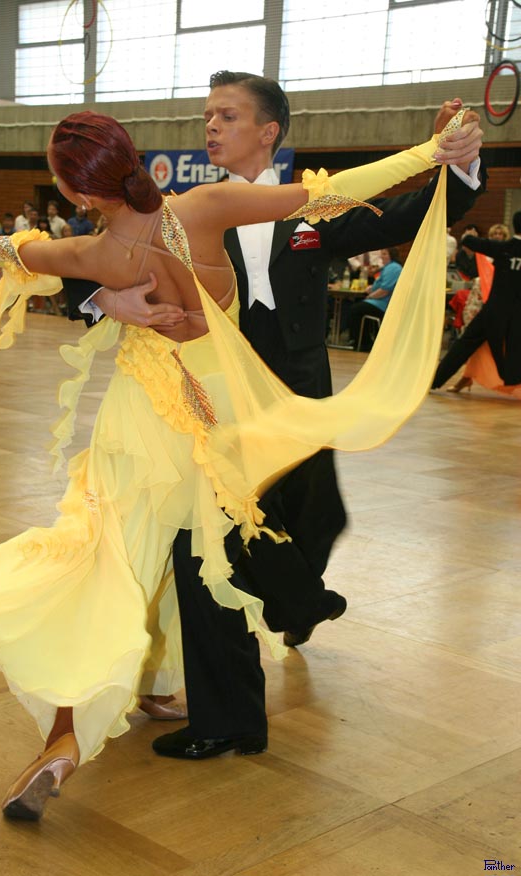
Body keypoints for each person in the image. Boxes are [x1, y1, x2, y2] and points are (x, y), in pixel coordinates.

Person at [0, 105, 477, 820]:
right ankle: (158, 685)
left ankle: (65, 739)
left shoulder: (96, 254)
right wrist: (432, 150)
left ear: (75, 191)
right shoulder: (205, 207)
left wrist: (106, 294)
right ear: (131, 160)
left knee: (109, 557)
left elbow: (11, 251)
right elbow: (335, 189)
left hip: (145, 416)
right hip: (221, 416)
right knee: (195, 554)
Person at [65, 74, 484, 763]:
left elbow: (417, 210)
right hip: (219, 403)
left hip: (302, 396)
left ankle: (294, 602)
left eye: (227, 116)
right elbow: (88, 261)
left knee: (313, 517)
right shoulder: (182, 210)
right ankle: (239, 696)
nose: (210, 126)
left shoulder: (314, 206)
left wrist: (459, 161)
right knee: (210, 550)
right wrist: (105, 302)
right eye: (207, 115)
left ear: (269, 132)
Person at [432, 211, 521, 396]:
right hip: (516, 316)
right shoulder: (504, 247)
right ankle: (510, 378)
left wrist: (468, 235)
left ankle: (435, 381)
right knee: (513, 352)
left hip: (494, 312)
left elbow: (469, 242)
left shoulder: (503, 248)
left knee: (464, 345)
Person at [347, 247, 402, 350]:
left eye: (384, 254)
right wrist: (371, 288)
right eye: (382, 254)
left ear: (392, 255)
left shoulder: (393, 268)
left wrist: (370, 296)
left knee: (355, 309)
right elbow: (380, 284)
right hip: (378, 301)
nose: (381, 256)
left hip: (383, 303)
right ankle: (363, 340)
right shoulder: (388, 267)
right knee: (359, 307)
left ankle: (362, 342)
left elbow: (385, 290)